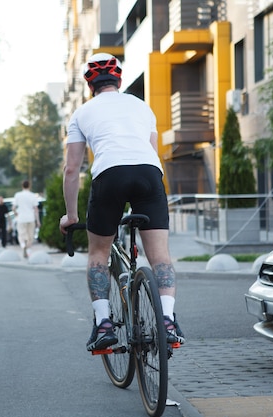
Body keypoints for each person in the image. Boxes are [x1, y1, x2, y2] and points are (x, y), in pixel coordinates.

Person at [59, 53, 185, 352]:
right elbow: (152, 154)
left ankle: (104, 325)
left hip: (109, 176)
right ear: (119, 80)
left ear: (90, 85)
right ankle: (167, 320)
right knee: (160, 256)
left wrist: (71, 216)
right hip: (149, 176)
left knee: (98, 254)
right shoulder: (142, 107)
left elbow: (71, 169)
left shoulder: (81, 113)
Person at [13, 180, 41, 258]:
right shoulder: (32, 195)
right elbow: (36, 209)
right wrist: (38, 221)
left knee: (21, 234)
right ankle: (28, 249)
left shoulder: (18, 195)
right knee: (30, 236)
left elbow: (13, 207)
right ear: (29, 186)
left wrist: (16, 214)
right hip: (30, 218)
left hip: (21, 218)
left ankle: (23, 245)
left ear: (22, 186)